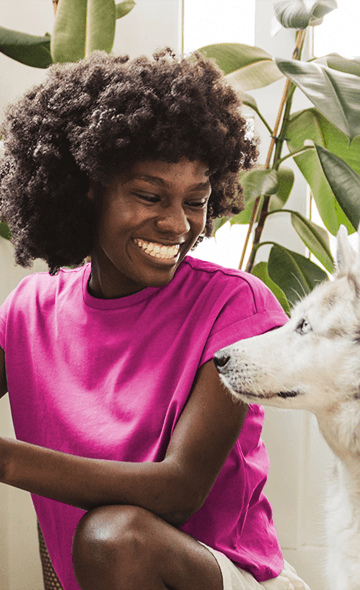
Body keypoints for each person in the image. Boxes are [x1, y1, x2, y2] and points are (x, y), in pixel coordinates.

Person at [0, 49, 310, 590]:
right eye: (149, 196)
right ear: (88, 186)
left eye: (196, 200)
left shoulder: (234, 305)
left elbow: (179, 491)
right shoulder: (29, 310)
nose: (177, 224)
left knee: (114, 538)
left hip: (222, 576)